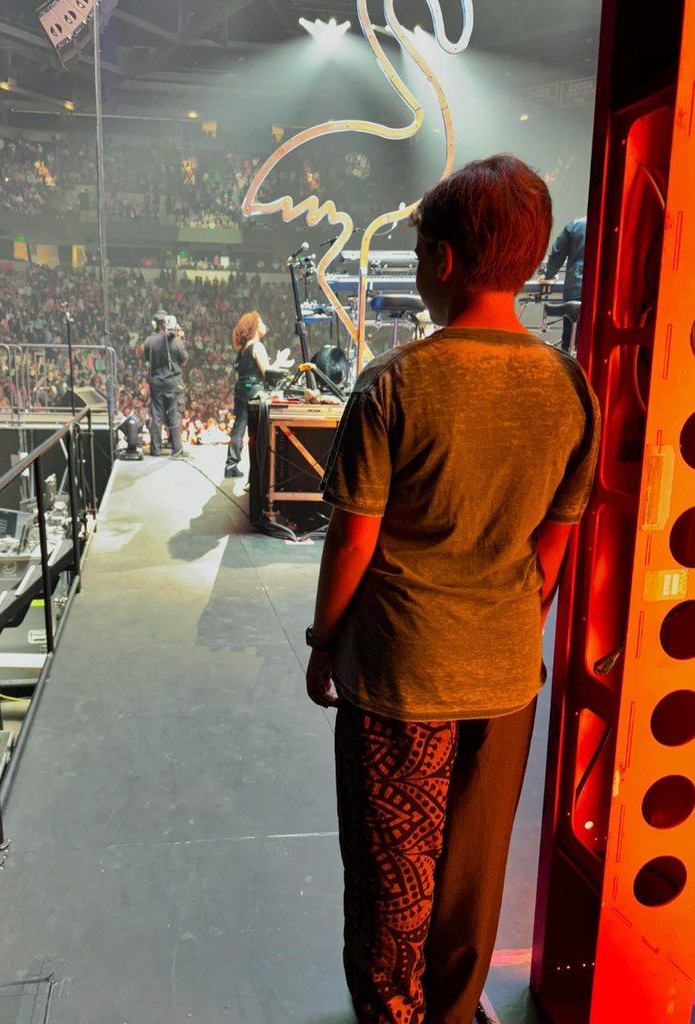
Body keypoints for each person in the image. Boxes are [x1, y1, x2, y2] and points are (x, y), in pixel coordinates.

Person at [304, 155, 601, 1024]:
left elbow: (352, 539)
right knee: (474, 870)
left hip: (401, 679)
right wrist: (508, 619)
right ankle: (455, 1006)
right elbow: (552, 546)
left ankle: (391, 1012)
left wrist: (325, 643)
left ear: (439, 262)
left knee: (393, 872)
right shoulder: (568, 389)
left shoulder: (393, 385)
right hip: (505, 678)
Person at [224, 311, 293, 478]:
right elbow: (266, 371)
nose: (265, 326)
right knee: (256, 432)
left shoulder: (242, 349)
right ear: (255, 327)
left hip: (241, 387)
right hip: (254, 390)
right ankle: (255, 474)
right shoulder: (257, 346)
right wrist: (280, 360)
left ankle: (231, 465)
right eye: (261, 323)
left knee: (238, 428)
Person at [144, 310, 188, 458]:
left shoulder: (149, 341)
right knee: (174, 415)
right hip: (173, 383)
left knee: (156, 416)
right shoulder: (175, 340)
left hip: (156, 383)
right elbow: (184, 360)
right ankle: (177, 451)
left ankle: (155, 450)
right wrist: (180, 339)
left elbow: (148, 360)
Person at [541, 215, 587, 352]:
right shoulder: (617, 227)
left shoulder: (575, 226)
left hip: (576, 289)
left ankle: (569, 357)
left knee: (569, 340)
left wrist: (548, 274)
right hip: (606, 292)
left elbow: (557, 254)